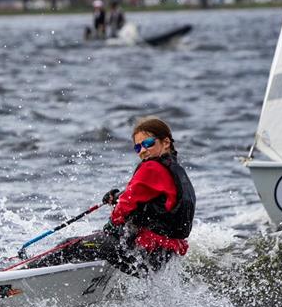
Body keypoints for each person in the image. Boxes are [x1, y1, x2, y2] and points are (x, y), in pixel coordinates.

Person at [29, 116, 195, 276]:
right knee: (96, 239)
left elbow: (124, 207)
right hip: (161, 257)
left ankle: (25, 273)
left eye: (148, 143)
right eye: (138, 147)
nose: (143, 151)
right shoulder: (175, 170)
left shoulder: (151, 167)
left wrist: (111, 227)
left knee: (69, 244)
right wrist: (118, 196)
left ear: (166, 142)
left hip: (143, 255)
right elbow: (147, 197)